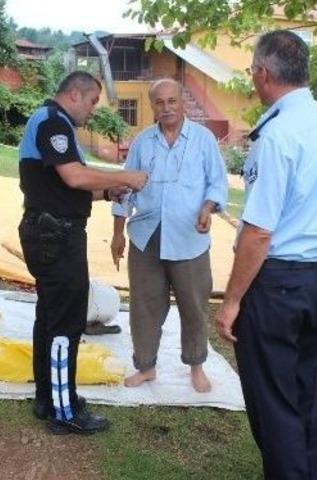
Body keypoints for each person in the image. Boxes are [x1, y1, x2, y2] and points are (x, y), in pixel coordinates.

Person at [214, 31, 317, 479]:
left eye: (254, 71)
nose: (254, 79)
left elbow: (258, 231)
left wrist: (233, 300)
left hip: (278, 285)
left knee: (273, 403)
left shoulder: (276, 136)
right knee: (302, 391)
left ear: (264, 73)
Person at [18, 71, 148, 435]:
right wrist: (125, 177)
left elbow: (63, 187)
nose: (92, 111)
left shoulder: (51, 123)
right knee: (65, 325)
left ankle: (49, 399)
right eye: (92, 102)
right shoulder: (53, 123)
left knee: (49, 319)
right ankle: (64, 411)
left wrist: (107, 193)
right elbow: (75, 177)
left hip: (50, 232)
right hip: (55, 238)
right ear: (75, 94)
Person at [110, 78, 228, 393]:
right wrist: (117, 234)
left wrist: (208, 206)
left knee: (194, 305)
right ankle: (146, 367)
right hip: (146, 237)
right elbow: (124, 190)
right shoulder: (142, 142)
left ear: (182, 102)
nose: (167, 108)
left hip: (189, 237)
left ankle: (196, 366)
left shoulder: (203, 140)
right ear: (153, 106)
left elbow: (217, 183)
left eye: (172, 101)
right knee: (144, 306)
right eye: (160, 103)